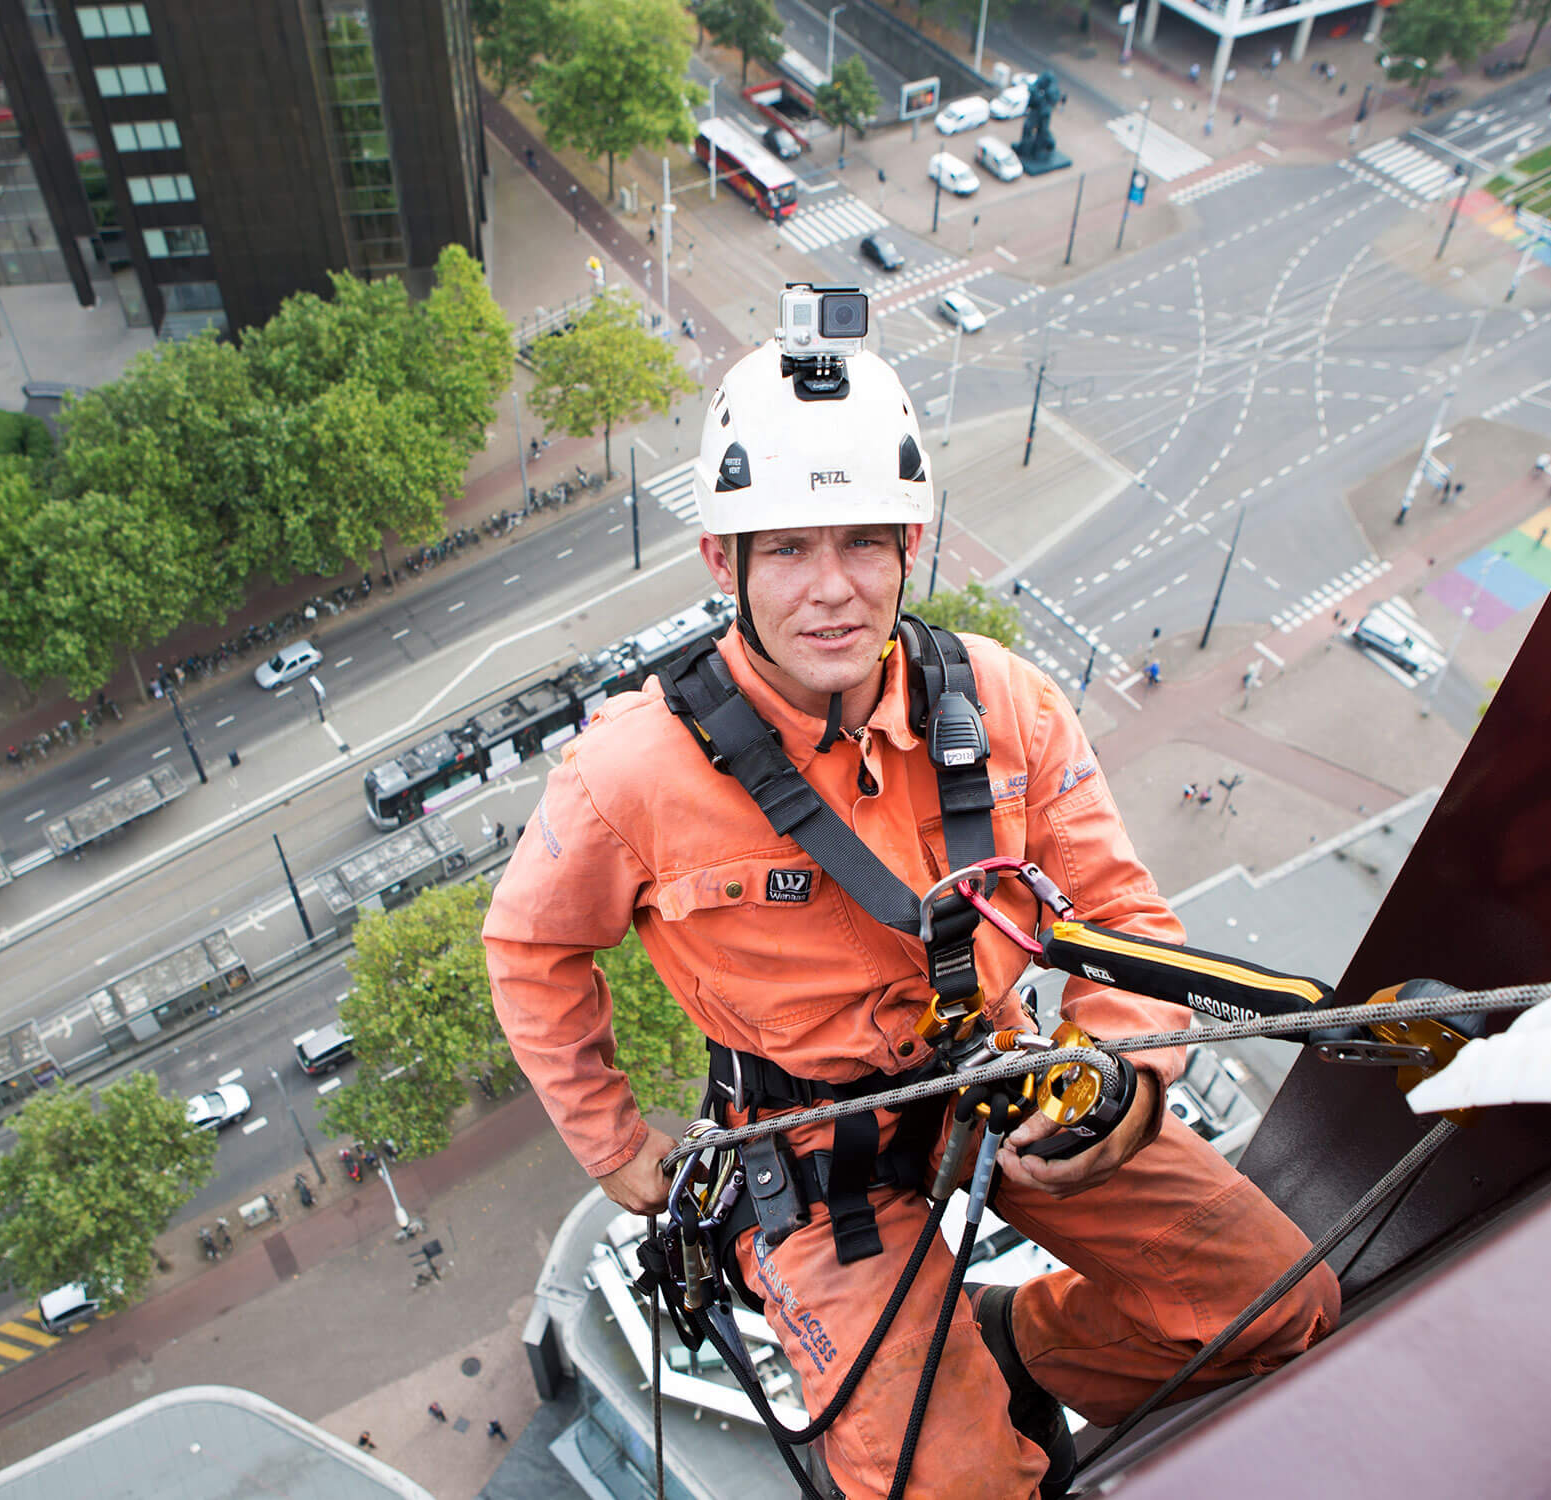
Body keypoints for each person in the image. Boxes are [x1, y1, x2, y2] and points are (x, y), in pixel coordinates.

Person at [485, 336, 1339, 1500]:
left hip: (1006, 1089)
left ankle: (1020, 1342)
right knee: (953, 1488)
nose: (829, 587)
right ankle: (976, 1408)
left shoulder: (1003, 704)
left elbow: (1119, 916)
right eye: (785, 548)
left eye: (862, 544)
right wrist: (616, 1144)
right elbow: (531, 947)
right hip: (805, 1155)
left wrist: (1125, 1074)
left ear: (910, 548)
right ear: (719, 561)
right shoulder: (630, 775)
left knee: (1280, 1311)